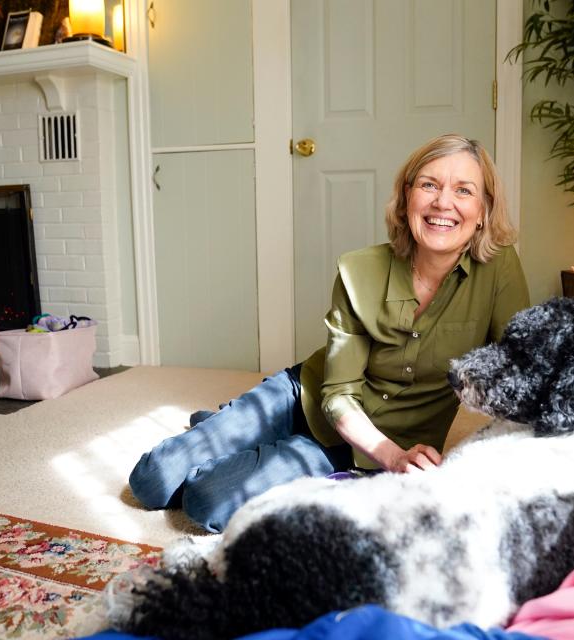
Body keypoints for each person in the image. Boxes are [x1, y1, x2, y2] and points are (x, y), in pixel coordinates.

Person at [128, 133, 530, 532]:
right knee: (151, 481)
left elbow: (522, 366)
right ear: (407, 196)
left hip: (361, 447)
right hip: (308, 394)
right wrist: (392, 458)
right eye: (429, 184)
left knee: (206, 501)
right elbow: (338, 393)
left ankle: (227, 430)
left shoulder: (499, 270)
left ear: (483, 211)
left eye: (464, 190)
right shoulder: (359, 270)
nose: (443, 202)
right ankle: (232, 425)